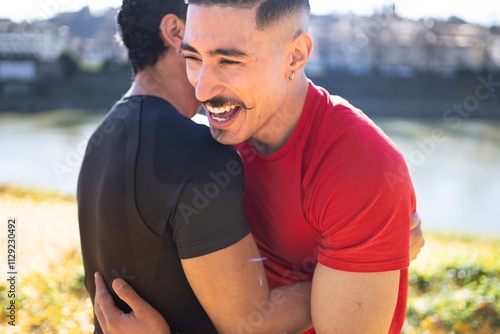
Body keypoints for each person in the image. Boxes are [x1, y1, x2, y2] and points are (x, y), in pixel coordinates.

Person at [93, 0, 425, 333]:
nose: (202, 88)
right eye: (192, 58)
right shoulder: (202, 144)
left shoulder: (361, 170)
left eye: (229, 61)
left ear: (295, 55)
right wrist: (342, 273)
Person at [78, 0, 315, 333]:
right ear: (176, 31)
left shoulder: (102, 136)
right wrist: (355, 268)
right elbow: (252, 325)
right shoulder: (198, 151)